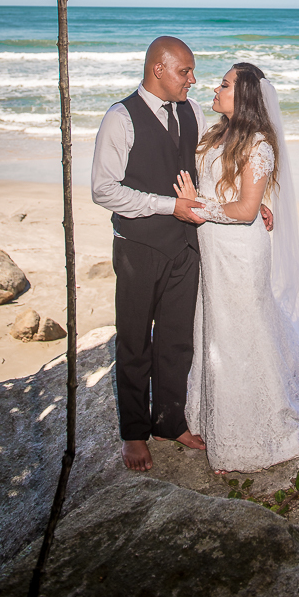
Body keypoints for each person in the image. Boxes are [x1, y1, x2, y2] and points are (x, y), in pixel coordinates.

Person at [174, 62, 299, 473]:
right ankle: (214, 417)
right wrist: (222, 204)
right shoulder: (215, 133)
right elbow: (236, 192)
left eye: (225, 85)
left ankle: (249, 434)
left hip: (240, 252)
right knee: (217, 331)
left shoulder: (259, 144)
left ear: (244, 94)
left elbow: (245, 210)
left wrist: (198, 207)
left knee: (240, 335)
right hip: (212, 247)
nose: (216, 89)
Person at [91, 36, 210, 473]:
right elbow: (103, 190)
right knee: (135, 339)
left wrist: (251, 203)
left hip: (186, 246)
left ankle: (169, 423)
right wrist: (167, 205)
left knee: (177, 339)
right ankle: (134, 432)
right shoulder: (120, 118)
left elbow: (205, 172)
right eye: (185, 71)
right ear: (159, 69)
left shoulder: (193, 112)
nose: (192, 80)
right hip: (138, 248)